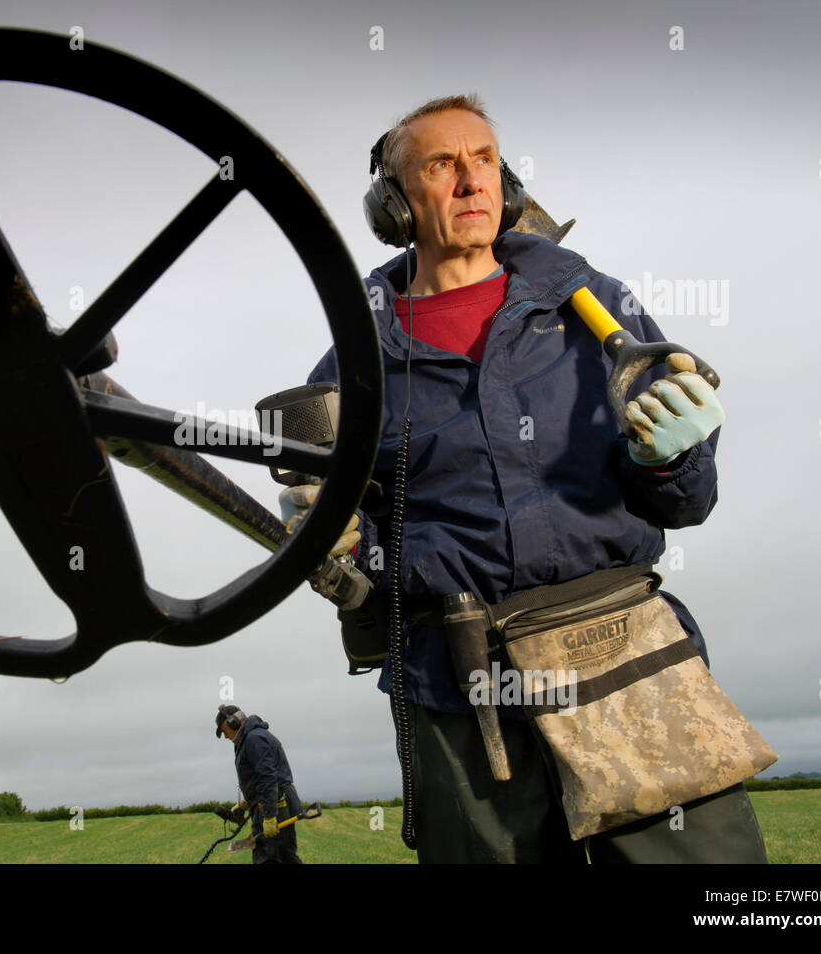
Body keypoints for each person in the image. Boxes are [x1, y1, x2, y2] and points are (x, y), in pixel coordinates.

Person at [294, 94, 769, 864]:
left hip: (628, 660)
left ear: (507, 183)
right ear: (394, 205)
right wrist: (336, 543)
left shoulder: (594, 306)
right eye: (441, 165)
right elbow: (347, 534)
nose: (470, 181)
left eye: (483, 160)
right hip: (458, 685)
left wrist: (670, 458)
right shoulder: (358, 355)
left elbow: (689, 502)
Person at [214, 704, 303, 864]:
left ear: (232, 722)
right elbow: (259, 778)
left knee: (268, 858)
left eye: (224, 730)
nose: (225, 736)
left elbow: (268, 778)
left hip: (274, 806)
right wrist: (246, 804)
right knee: (286, 857)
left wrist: (269, 816)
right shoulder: (252, 738)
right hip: (273, 804)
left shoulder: (253, 739)